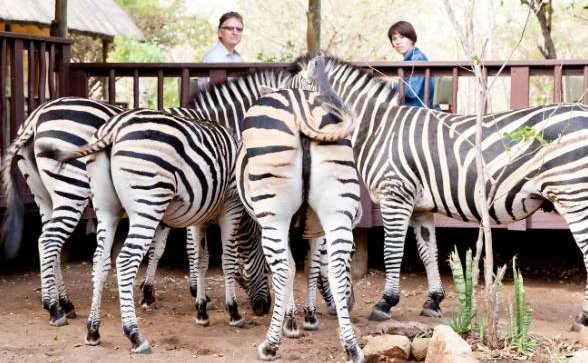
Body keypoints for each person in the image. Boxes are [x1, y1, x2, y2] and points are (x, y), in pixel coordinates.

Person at [388, 20, 435, 108]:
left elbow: (411, 91)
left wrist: (390, 85)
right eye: (394, 39)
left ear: (411, 38)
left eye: (402, 37)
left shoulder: (417, 58)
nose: (397, 42)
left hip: (418, 111)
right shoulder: (410, 59)